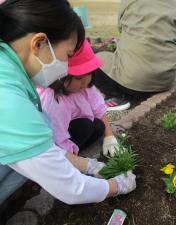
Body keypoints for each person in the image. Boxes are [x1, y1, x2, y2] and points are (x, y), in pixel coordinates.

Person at [0, 0, 136, 205]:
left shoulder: (9, 68)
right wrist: (117, 186)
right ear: (38, 43)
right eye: (67, 55)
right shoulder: (8, 98)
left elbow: (43, 150)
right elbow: (72, 188)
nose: (66, 67)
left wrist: (89, 165)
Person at [37, 39, 119, 157]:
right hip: (55, 138)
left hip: (72, 126)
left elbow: (98, 108)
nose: (85, 81)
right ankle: (71, 155)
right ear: (60, 76)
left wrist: (109, 136)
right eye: (79, 78)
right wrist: (75, 162)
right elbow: (57, 136)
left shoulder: (85, 87)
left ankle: (75, 150)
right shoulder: (55, 101)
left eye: (89, 73)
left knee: (98, 126)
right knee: (84, 125)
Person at [94, 0, 176, 107]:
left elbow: (121, 28)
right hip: (166, 81)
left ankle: (116, 96)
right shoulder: (173, 4)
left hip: (135, 82)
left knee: (94, 60)